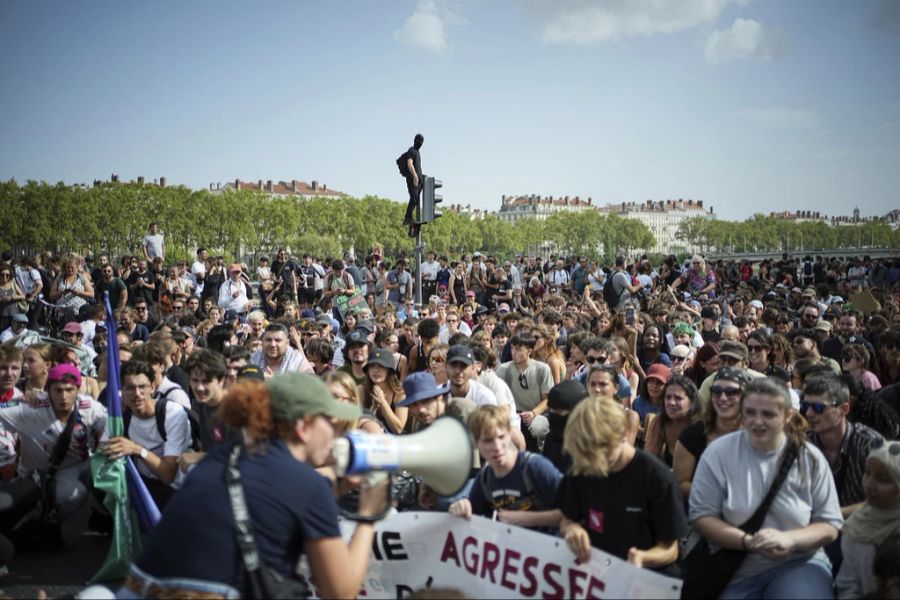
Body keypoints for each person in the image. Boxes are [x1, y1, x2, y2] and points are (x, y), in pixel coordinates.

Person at [125, 373, 389, 599]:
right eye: (328, 421)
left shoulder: (221, 458)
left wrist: (339, 487)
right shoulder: (307, 484)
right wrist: (369, 514)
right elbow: (340, 592)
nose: (334, 431)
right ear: (302, 426)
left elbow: (274, 502)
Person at [689, 377, 843, 599]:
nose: (757, 421)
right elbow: (702, 516)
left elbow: (829, 525)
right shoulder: (718, 453)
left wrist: (791, 539)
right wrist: (747, 542)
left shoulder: (809, 458)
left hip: (798, 562)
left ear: (787, 416)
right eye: (750, 413)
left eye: (768, 414)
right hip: (734, 566)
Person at [557, 397, 687, 573]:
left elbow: (671, 550)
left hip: (645, 577)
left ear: (623, 434)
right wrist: (571, 529)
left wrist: (643, 557)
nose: (595, 459)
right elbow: (567, 517)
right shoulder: (582, 468)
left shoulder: (657, 478)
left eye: (602, 448)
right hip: (596, 571)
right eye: (586, 451)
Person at [0, 364, 106, 541]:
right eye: (57, 390)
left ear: (78, 390)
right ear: (47, 390)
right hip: (45, 476)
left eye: (69, 390)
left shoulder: (89, 407)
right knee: (75, 495)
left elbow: (111, 425)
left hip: (83, 464)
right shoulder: (30, 409)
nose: (64, 397)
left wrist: (105, 444)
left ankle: (105, 518)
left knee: (115, 471)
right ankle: (44, 520)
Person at [449, 405, 563, 531]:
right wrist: (462, 507)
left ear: (510, 434)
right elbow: (470, 513)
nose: (497, 447)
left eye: (501, 437)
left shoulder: (535, 467)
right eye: (488, 441)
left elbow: (573, 509)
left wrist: (527, 519)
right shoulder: (485, 479)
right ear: (475, 444)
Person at [106, 360, 191, 508]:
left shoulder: (172, 413)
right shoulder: (123, 417)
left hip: (177, 490)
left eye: (142, 387)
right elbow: (105, 453)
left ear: (152, 387)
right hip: (145, 485)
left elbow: (168, 476)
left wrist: (137, 450)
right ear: (122, 391)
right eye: (130, 388)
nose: (137, 394)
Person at [835, 438, 900, 599]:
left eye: (883, 479)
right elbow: (847, 587)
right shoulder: (856, 525)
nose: (870, 484)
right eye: (867, 473)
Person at [673, 366, 749, 498]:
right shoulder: (693, 435)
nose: (723, 398)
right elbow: (680, 483)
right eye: (717, 391)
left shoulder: (757, 434)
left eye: (731, 392)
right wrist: (721, 494)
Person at [643, 375, 699, 468]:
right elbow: (647, 463)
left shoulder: (702, 426)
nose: (671, 402)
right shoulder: (660, 422)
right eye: (668, 397)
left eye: (678, 398)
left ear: (692, 402)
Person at [401, 133, 424, 226]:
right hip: (412, 180)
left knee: (416, 199)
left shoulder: (418, 153)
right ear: (415, 141)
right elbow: (409, 164)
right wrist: (415, 175)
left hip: (418, 180)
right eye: (419, 142)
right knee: (414, 198)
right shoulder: (411, 151)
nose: (420, 144)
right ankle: (407, 218)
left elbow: (417, 166)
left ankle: (410, 217)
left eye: (421, 143)